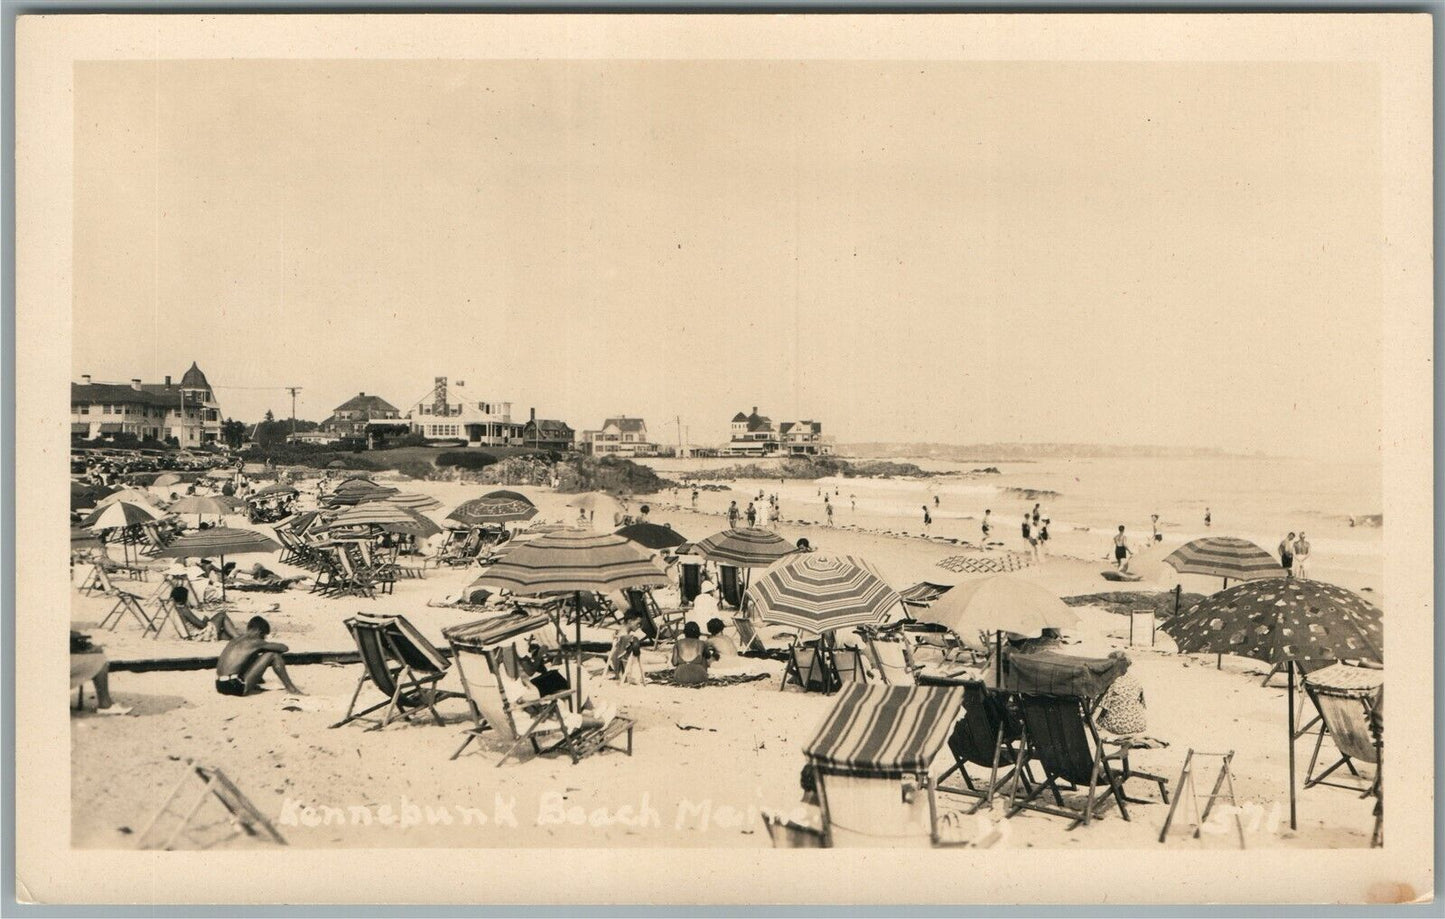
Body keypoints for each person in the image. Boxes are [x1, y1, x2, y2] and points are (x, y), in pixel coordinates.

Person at [215, 616, 302, 697]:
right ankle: (291, 689)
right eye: (263, 635)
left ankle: (258, 681)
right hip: (234, 686)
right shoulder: (255, 642)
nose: (263, 638)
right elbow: (284, 648)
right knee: (273, 655)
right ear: (259, 631)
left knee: (253, 654)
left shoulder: (235, 639)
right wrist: (264, 647)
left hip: (219, 685)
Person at [1096, 669, 1148, 735]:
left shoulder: (1112, 682)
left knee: (1100, 718)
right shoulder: (1135, 680)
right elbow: (1141, 702)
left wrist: (1094, 720)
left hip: (1119, 726)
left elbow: (1103, 705)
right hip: (1138, 724)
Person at [608, 614, 648, 684]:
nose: (639, 626)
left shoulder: (618, 633)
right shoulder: (628, 637)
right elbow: (636, 651)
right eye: (638, 623)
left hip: (618, 665)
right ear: (629, 621)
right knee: (665, 660)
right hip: (629, 667)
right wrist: (635, 640)